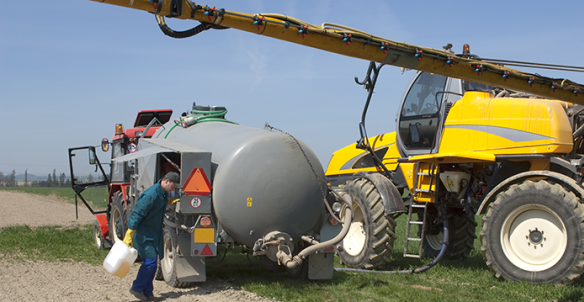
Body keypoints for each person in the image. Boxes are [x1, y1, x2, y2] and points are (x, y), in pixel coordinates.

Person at [123, 172, 181, 301]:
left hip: (154, 234)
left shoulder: (162, 193)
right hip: (144, 234)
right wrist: (129, 234)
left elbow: (160, 203)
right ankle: (137, 288)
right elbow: (136, 214)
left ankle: (148, 293)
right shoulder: (151, 195)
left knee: (153, 265)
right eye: (173, 186)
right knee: (150, 263)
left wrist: (171, 201)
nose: (173, 189)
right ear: (166, 181)